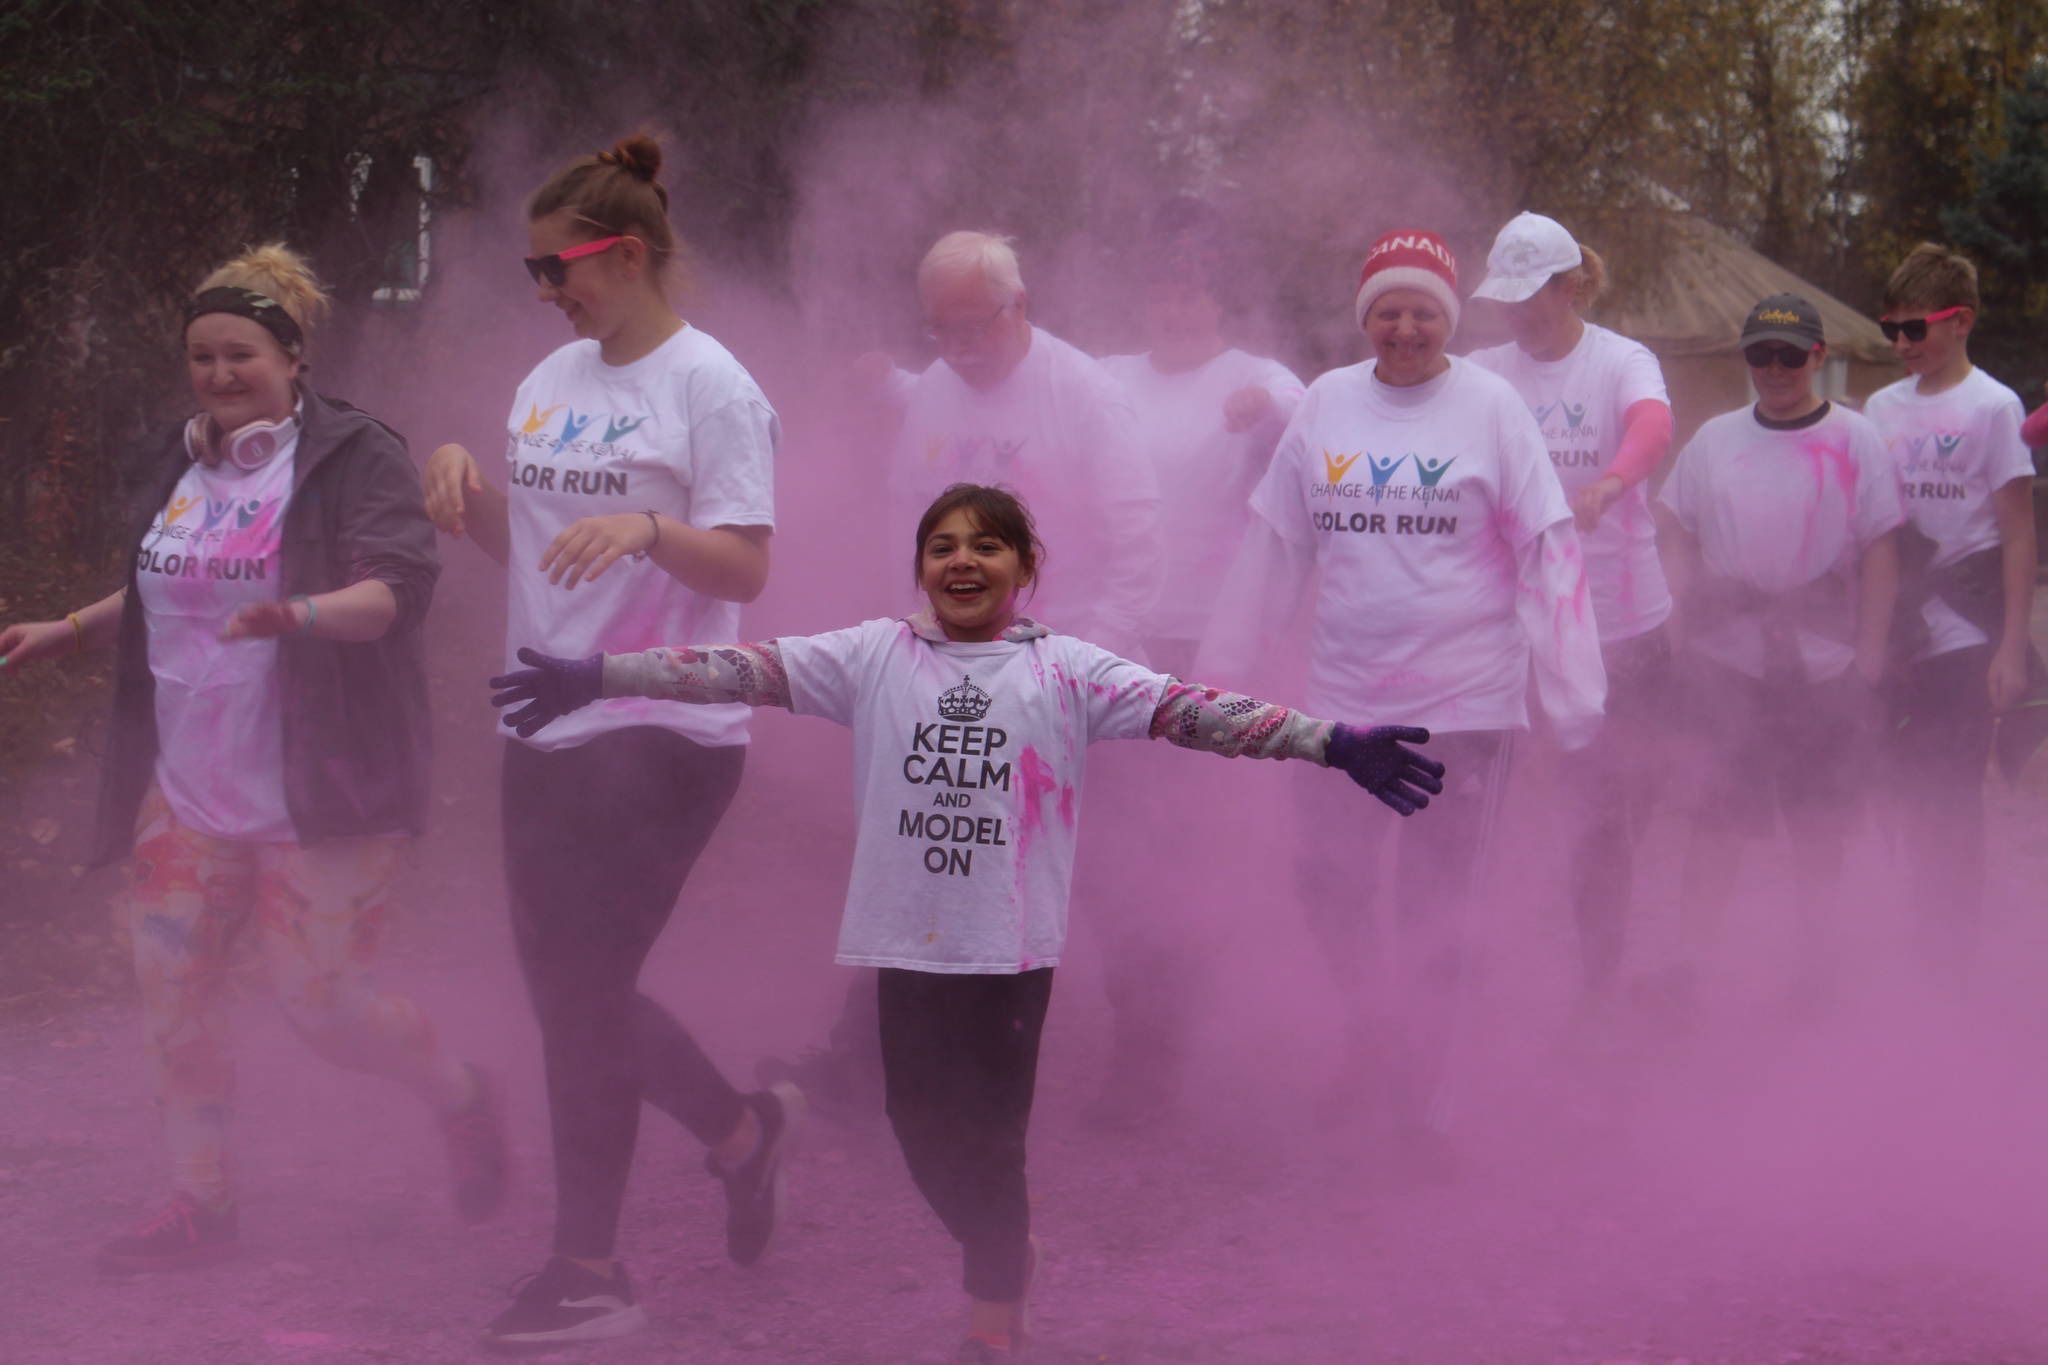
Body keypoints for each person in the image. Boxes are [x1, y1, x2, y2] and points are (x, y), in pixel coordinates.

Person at [488, 481, 1445, 1364]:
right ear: (920, 567)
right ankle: (1000, 1245)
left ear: (1026, 568)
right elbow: (732, 668)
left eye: (987, 546)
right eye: (942, 545)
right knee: (918, 1132)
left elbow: (1195, 710)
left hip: (1009, 955)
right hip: (901, 947)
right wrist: (602, 676)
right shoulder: (869, 656)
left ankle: (993, 1312)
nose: (962, 561)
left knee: (989, 1143)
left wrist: (1330, 741)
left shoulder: (1070, 670)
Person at [0, 244, 505, 1271]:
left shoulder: (354, 454)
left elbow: (400, 593)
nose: (221, 375)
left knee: (323, 1008)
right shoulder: (182, 460)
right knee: (173, 996)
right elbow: (169, 587)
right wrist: (68, 627)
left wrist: (299, 613)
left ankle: (458, 1090)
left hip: (321, 789)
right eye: (202, 356)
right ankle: (203, 1203)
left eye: (241, 354)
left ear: (291, 355)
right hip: (185, 790)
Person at [420, 134, 798, 1351]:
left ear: (626, 254)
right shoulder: (549, 380)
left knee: (580, 993)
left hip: (664, 719)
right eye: (532, 274)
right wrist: (463, 487)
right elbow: (526, 550)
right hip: (543, 714)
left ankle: (590, 1270)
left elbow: (742, 561)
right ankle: (741, 1136)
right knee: (569, 997)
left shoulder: (712, 387)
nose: (545, 293)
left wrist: (646, 527)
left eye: (557, 269)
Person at [1198, 228, 1605, 1162]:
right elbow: (1275, 544)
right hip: (1342, 706)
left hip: (1465, 706)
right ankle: (1374, 1029)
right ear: (1366, 318)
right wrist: (1220, 678)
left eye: (1424, 310)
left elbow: (1547, 545)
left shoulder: (1491, 407)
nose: (1406, 326)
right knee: (1327, 882)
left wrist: (1573, 694)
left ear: (1449, 320)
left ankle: (1429, 1102)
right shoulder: (1331, 404)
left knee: (1438, 908)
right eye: (1388, 309)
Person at [758, 230, 1164, 1114]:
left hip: (1067, 671)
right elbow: (915, 520)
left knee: (1102, 869)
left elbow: (1138, 541)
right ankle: (868, 1059)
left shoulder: (1084, 395)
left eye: (973, 328)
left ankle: (1150, 1044)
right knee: (924, 847)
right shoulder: (936, 390)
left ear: (1019, 307)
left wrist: (1085, 675)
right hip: (957, 667)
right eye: (938, 331)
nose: (956, 349)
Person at [1656, 293, 1903, 1006]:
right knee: (1714, 822)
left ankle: (1813, 967)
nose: (1774, 367)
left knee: (1818, 824)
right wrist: (1678, 611)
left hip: (1824, 661)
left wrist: (1873, 653)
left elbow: (1883, 547)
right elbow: (1672, 522)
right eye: (1760, 354)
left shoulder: (1855, 440)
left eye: (1790, 355)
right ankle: (1692, 968)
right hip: (1727, 661)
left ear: (1818, 358)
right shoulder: (1714, 439)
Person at [1466, 212, 1676, 1004]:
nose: (1518, 313)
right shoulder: (1483, 370)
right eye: (1507, 297)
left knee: (1602, 820)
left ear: (1571, 285)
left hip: (1622, 629)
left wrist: (1613, 483)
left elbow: (1651, 425)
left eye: (1533, 295)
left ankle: (1595, 989)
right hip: (1515, 634)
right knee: (1494, 813)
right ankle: (1484, 973)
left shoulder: (1621, 360)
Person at [1862, 244, 2039, 973]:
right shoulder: (1879, 406)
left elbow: (2020, 534)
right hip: (1898, 628)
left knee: (1953, 799)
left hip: (1966, 632)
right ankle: (1906, 944)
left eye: (1915, 329)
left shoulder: (1994, 407)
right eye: (1890, 330)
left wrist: (2011, 647)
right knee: (1899, 793)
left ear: (1960, 321)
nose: (1901, 345)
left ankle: (1952, 961)